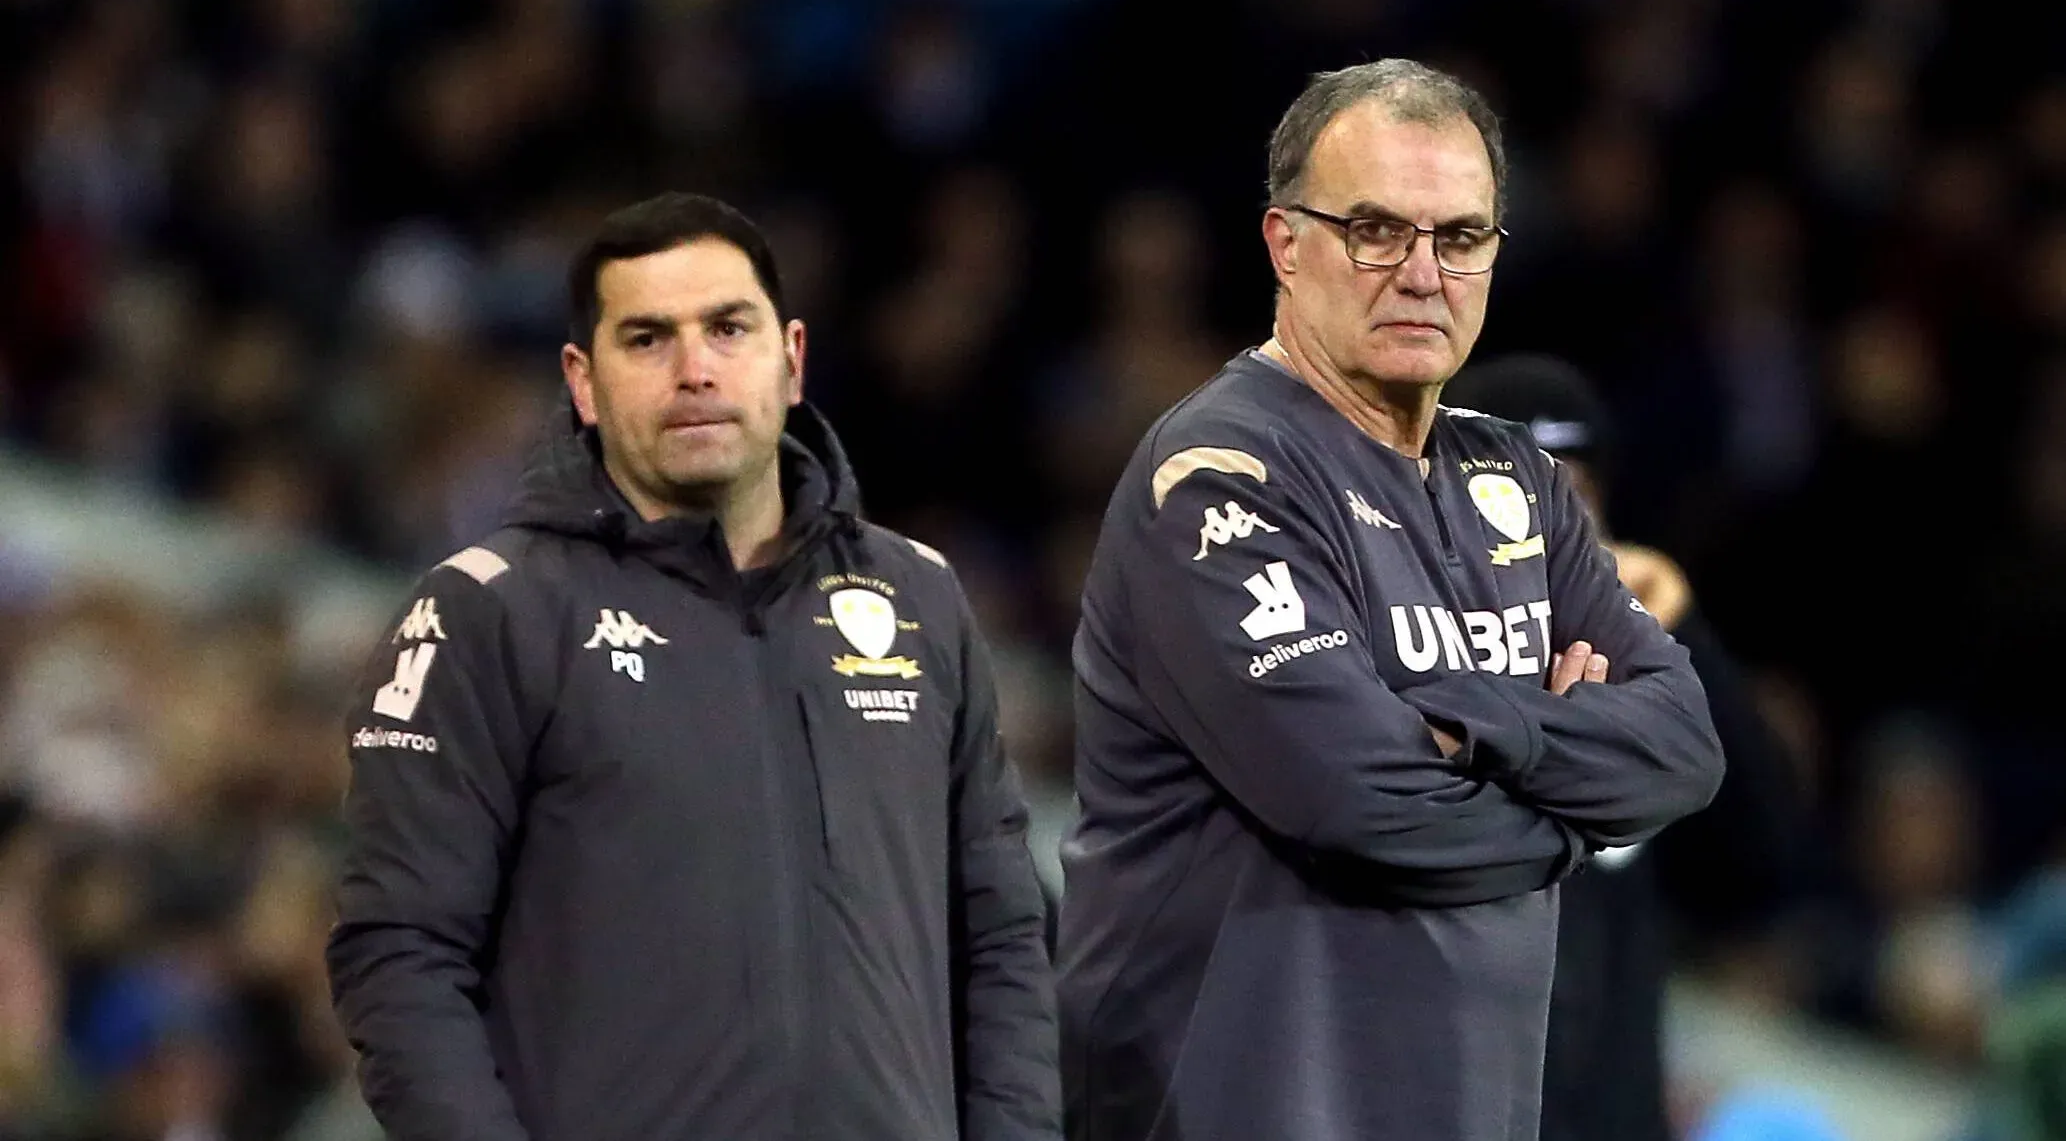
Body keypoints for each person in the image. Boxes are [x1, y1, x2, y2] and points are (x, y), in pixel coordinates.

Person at [1054, 59, 1726, 1141]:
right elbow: (1361, 808)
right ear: (1283, 244)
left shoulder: (1518, 479)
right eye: (1374, 230)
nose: (1421, 274)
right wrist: (1571, 812)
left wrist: (1470, 725)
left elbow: (1683, 748)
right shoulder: (1221, 473)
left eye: (1458, 238)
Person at [326, 192, 1060, 1141]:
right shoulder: (491, 610)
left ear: (791, 359)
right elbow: (401, 955)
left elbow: (1003, 939)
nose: (695, 369)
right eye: (647, 339)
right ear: (583, 384)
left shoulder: (918, 600)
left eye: (727, 328)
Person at [1444, 352, 1818, 1141]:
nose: (1542, 527)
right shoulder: (1392, 667)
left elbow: (1761, 868)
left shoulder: (1638, 694)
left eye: (1572, 497)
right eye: (1513, 494)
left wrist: (1679, 633)